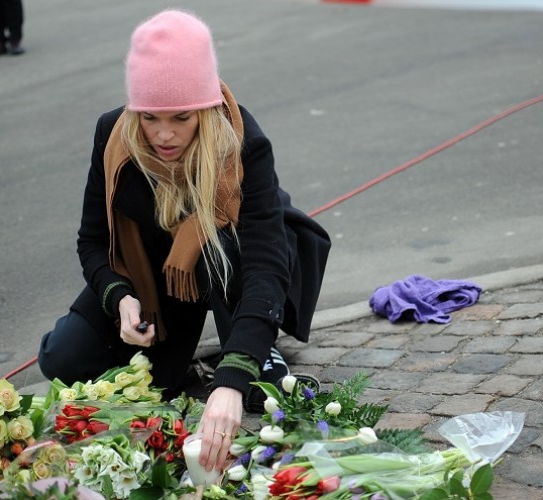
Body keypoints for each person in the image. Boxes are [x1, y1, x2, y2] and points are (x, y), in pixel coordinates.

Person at [37, 9, 330, 474]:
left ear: (206, 108)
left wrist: (232, 380)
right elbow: (91, 240)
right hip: (155, 272)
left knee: (228, 274)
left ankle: (249, 340)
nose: (164, 134)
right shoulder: (111, 135)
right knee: (61, 359)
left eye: (181, 117)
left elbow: (265, 267)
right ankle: (188, 342)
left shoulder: (243, 142)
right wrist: (120, 299)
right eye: (149, 117)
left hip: (230, 259)